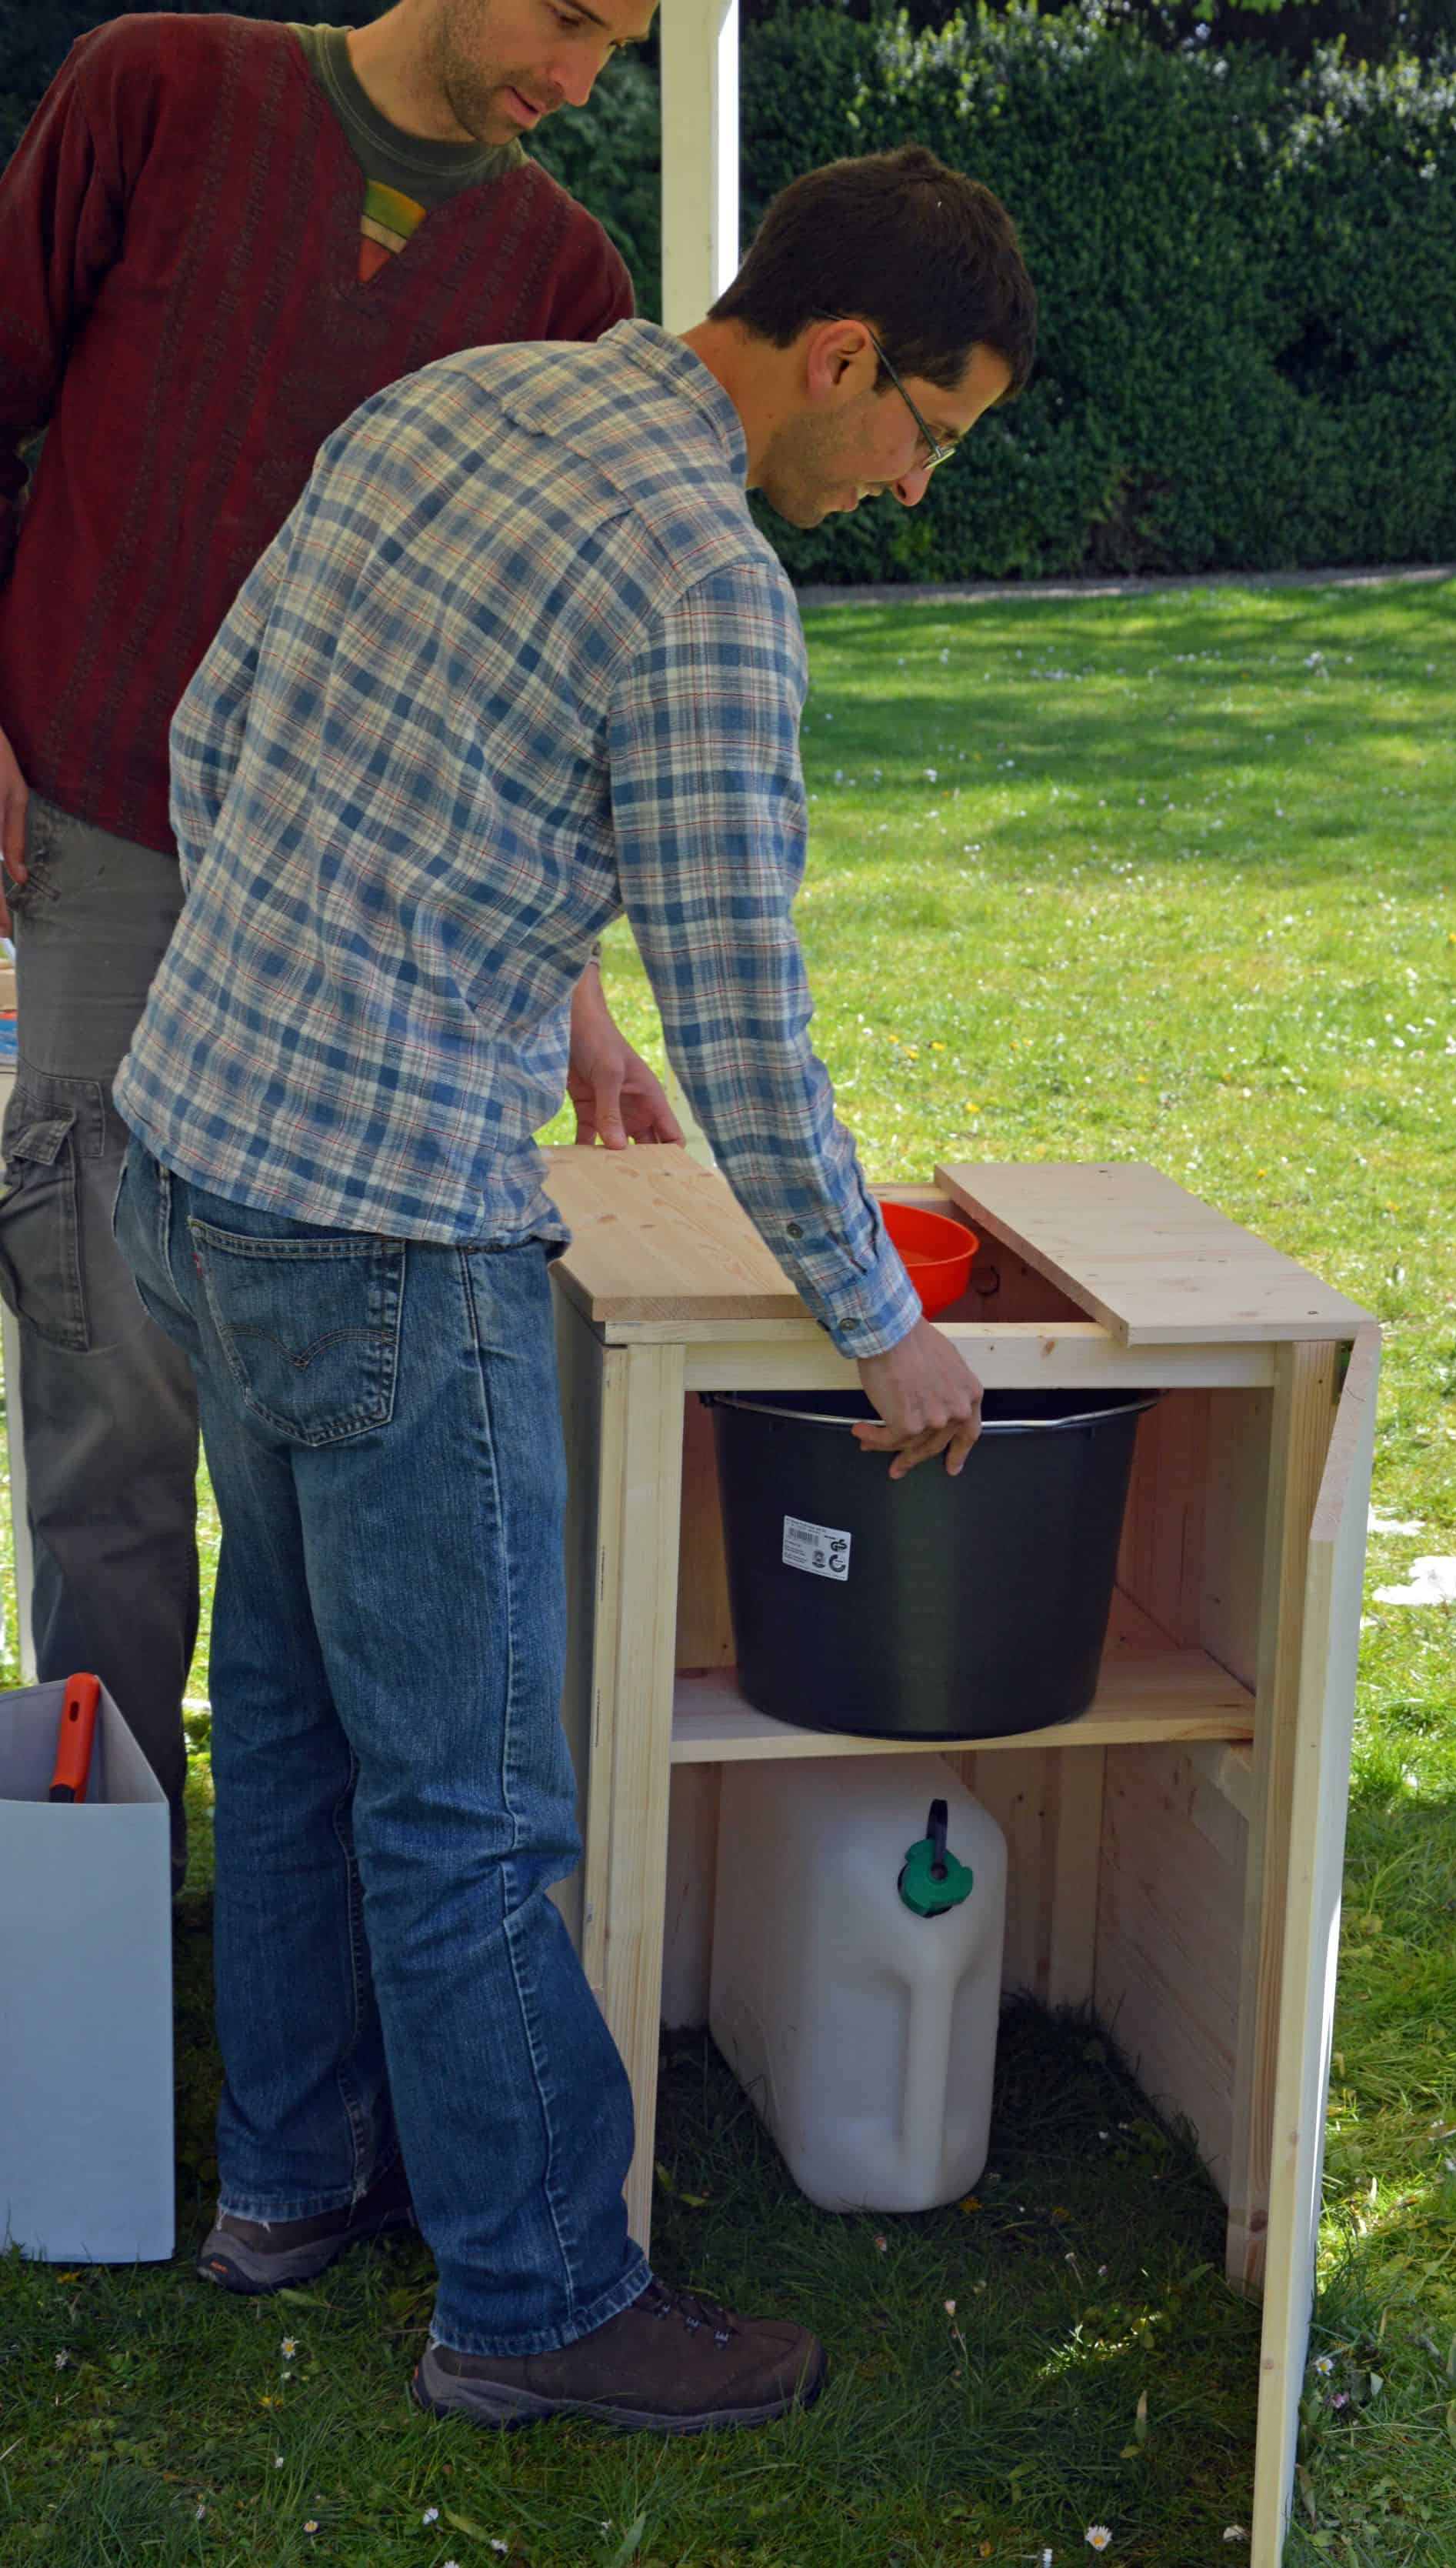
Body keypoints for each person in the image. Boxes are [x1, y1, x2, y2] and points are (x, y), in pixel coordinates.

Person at [111, 142, 1037, 2432]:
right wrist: (875, 1315)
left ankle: (290, 2183)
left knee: (307, 1719)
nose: (912, 486)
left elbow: (217, 741)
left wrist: (522, 1004)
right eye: (923, 432)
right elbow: (741, 999)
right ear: (837, 357)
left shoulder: (461, 401)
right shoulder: (704, 581)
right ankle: (533, 2300)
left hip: (190, 1155)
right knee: (474, 1800)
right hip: (391, 1242)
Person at [0, 0, 671, 1895]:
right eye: (566, 20)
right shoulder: (159, 91)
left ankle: (329, 1912)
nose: (576, 79)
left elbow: (531, 657)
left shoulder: (562, 272)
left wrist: (573, 981)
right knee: (107, 1391)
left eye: (619, 44)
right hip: (103, 828)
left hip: (373, 911)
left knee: (329, 1411)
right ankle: (102, 1899)